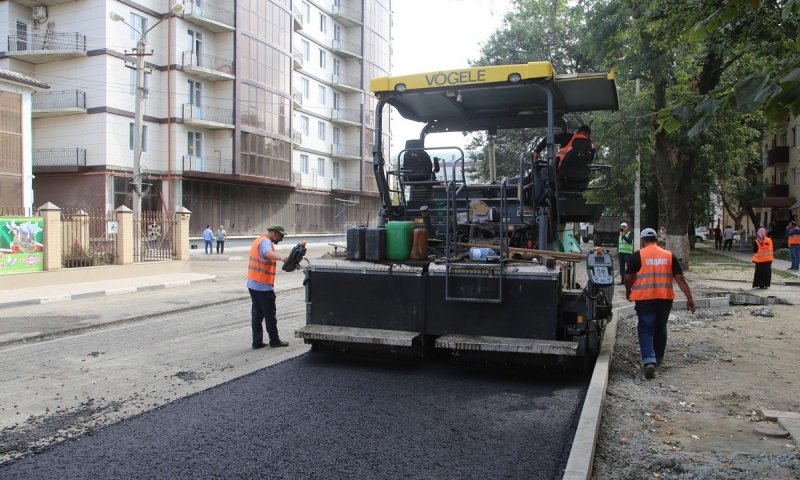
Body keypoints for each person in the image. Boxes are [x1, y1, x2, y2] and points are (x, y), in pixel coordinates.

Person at [624, 228, 695, 380]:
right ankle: (659, 357)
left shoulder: (637, 256)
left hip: (645, 299)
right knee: (660, 327)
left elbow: (628, 278)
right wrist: (690, 298)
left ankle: (649, 361)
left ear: (643, 241)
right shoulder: (669, 256)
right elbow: (680, 279)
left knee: (645, 329)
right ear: (657, 239)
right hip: (664, 299)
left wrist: (628, 291)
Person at [248, 225, 290, 349]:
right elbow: (267, 253)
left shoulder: (258, 240)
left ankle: (257, 342)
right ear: (275, 233)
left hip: (253, 284)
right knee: (270, 315)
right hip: (263, 286)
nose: (281, 239)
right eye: (281, 236)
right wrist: (282, 258)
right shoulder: (266, 242)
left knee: (257, 315)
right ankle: (274, 341)